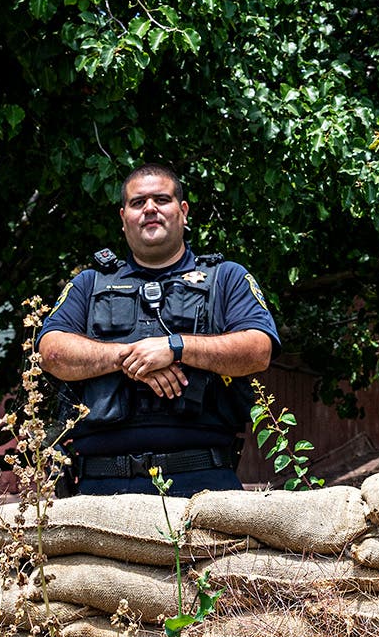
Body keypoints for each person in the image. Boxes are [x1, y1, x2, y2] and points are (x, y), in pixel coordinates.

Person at [36, 164, 279, 495]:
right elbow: (51, 352)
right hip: (101, 489)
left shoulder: (227, 278)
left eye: (161, 199)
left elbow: (258, 349)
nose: (150, 209)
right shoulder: (88, 284)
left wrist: (176, 347)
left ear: (182, 212)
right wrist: (132, 359)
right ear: (123, 218)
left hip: (204, 483)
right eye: (138, 203)